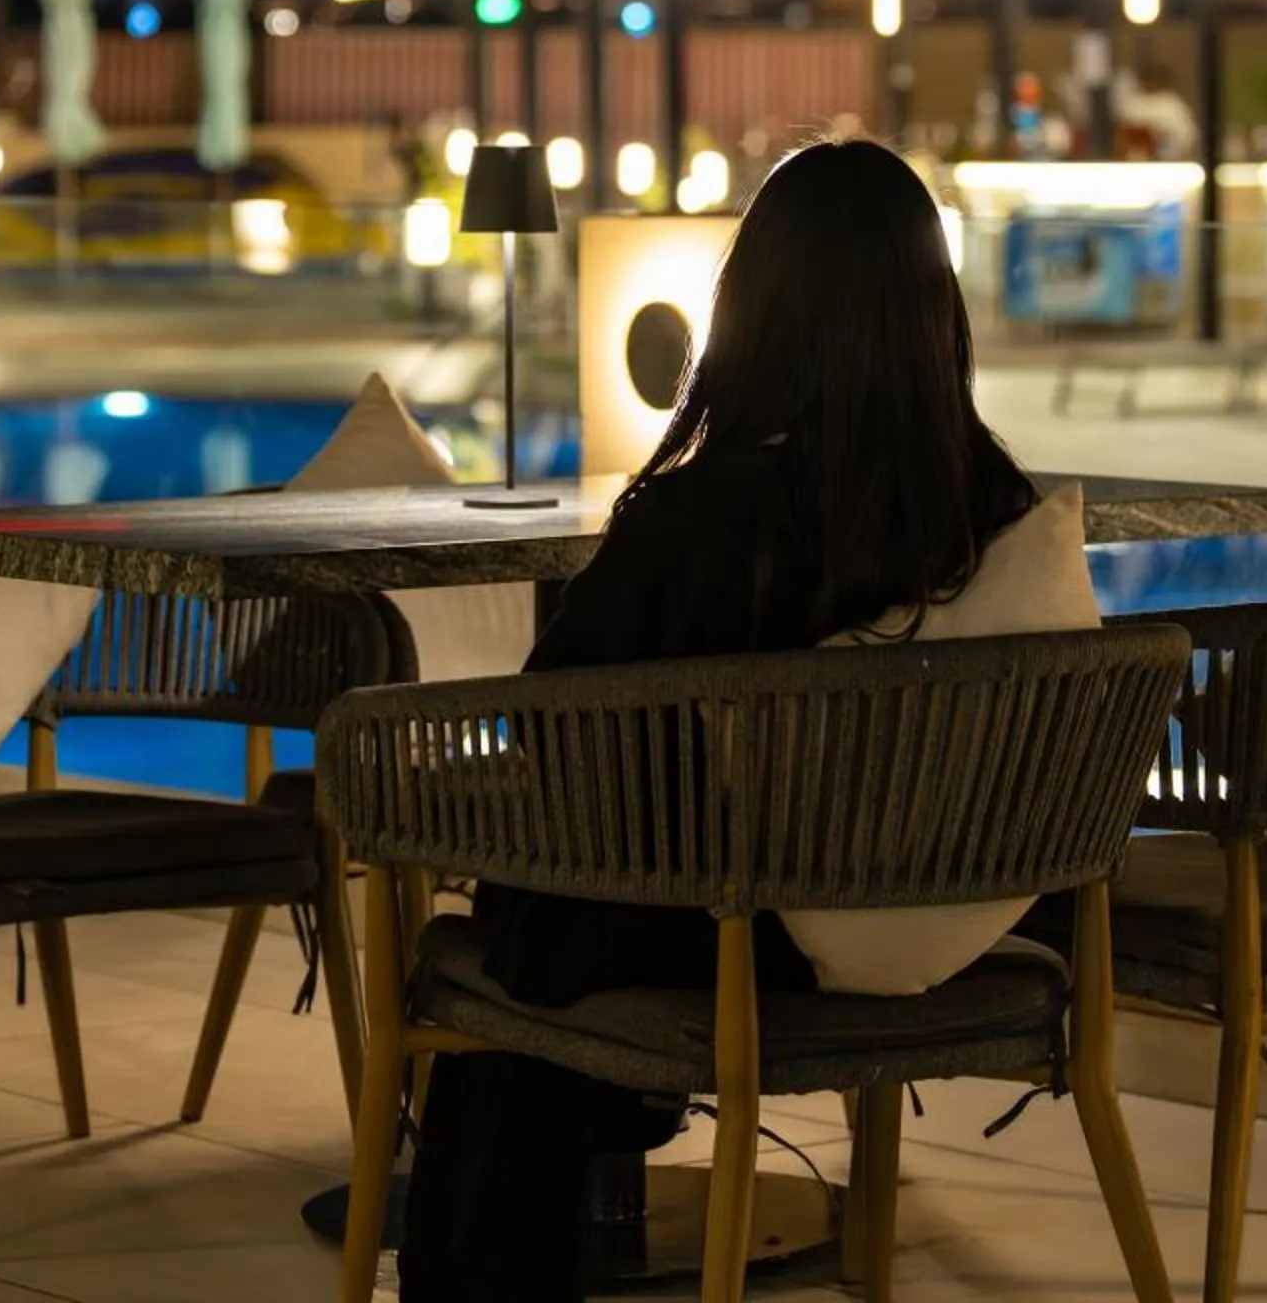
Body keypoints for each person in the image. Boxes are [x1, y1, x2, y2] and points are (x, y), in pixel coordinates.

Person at [395, 138, 1039, 1302]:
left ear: (754, 311)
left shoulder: (706, 517)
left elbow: (556, 725)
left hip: (747, 944)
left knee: (525, 915)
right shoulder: (997, 510)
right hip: (965, 929)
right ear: (930, 307)